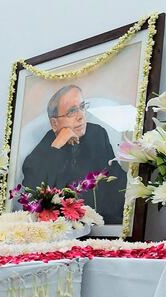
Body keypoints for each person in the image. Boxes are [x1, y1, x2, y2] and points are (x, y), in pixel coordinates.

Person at [21, 84, 126, 223]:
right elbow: (33, 201)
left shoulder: (97, 134)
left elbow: (117, 180)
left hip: (103, 226)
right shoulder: (40, 155)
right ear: (54, 123)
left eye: (82, 107)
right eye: (71, 111)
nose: (81, 116)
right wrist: (56, 147)